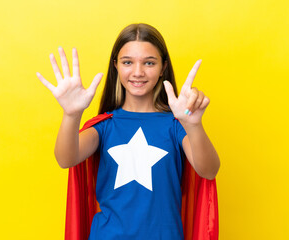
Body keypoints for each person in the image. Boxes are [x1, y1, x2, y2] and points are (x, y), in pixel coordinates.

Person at [36, 23, 220, 240]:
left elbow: (208, 170)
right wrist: (71, 115)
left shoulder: (175, 125)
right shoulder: (105, 126)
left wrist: (194, 125)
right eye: (127, 62)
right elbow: (66, 159)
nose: (138, 72)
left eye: (149, 63)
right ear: (116, 66)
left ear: (163, 68)